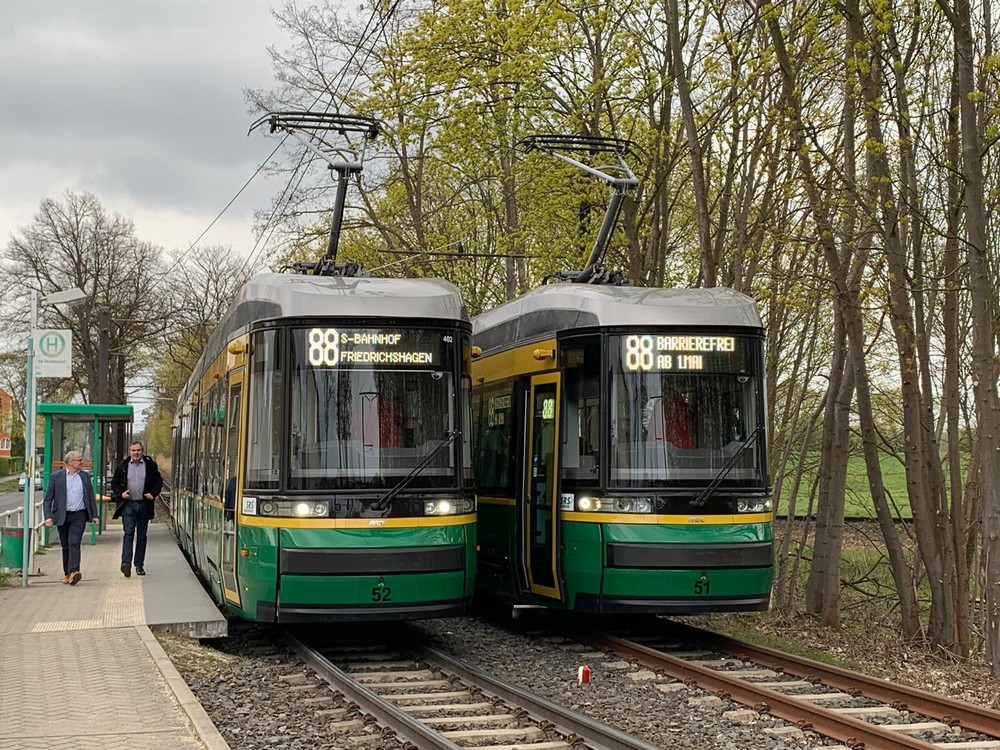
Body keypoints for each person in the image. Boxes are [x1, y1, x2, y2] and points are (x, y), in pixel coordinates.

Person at [42, 450, 99, 585]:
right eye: (79, 460)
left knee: (74, 542)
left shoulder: (84, 477)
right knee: (66, 545)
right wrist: (48, 517)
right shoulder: (56, 477)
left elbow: (90, 497)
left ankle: (74, 571)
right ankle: (67, 573)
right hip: (62, 515)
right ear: (71, 462)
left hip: (79, 514)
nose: (82, 462)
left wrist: (94, 515)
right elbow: (48, 499)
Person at [111, 441, 163, 577]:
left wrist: (153, 493)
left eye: (139, 450)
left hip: (144, 504)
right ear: (130, 451)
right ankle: (126, 564)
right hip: (128, 504)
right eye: (133, 450)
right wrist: (120, 494)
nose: (136, 453)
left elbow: (159, 481)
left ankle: (139, 565)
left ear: (143, 451)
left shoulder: (150, 465)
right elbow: (114, 483)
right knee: (128, 534)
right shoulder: (123, 466)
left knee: (141, 536)